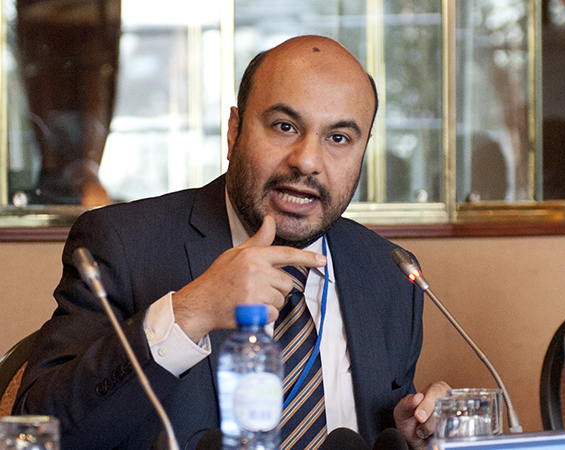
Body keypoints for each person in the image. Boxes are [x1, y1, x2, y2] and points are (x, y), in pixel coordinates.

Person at [14, 35, 448, 450]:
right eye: (284, 126)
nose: (307, 161)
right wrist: (190, 312)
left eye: (338, 138)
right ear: (234, 131)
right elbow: (38, 432)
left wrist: (414, 437)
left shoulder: (391, 276)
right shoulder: (123, 244)